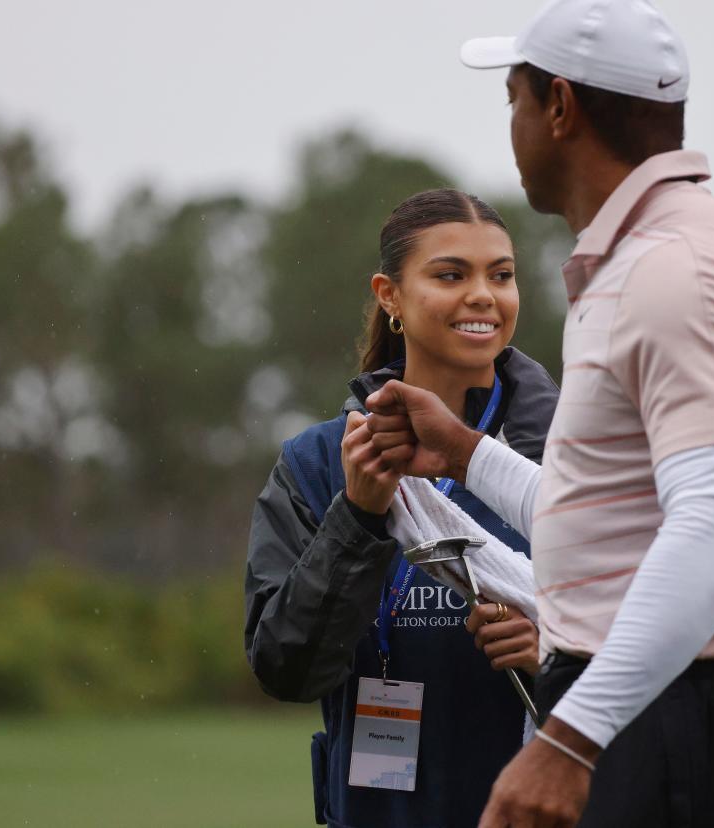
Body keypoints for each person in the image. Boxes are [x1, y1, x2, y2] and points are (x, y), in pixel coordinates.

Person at [362, 1, 714, 826]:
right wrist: (468, 454)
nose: (509, 126)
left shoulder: (680, 268)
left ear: (558, 108)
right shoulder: (644, 260)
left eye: (512, 97)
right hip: (660, 707)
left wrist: (569, 739)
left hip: (692, 718)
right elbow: (617, 524)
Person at [243, 188, 559, 828]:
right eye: (451, 274)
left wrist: (554, 654)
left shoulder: (570, 456)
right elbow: (285, 666)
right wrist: (357, 516)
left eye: (501, 275)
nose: (483, 295)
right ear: (389, 295)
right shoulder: (318, 461)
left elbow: (656, 646)